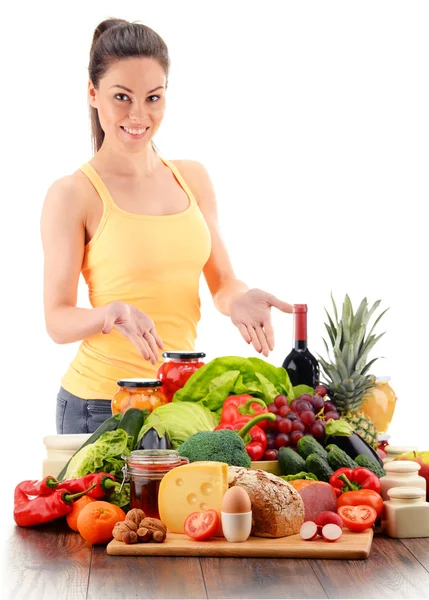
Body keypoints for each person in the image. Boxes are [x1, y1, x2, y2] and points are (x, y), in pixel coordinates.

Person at [41, 18, 293, 435]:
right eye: (121, 97)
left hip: (179, 400)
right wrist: (109, 314)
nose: (138, 115)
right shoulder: (74, 193)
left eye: (153, 98)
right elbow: (56, 319)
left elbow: (223, 281)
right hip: (101, 403)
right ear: (92, 93)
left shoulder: (191, 177)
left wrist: (239, 299)